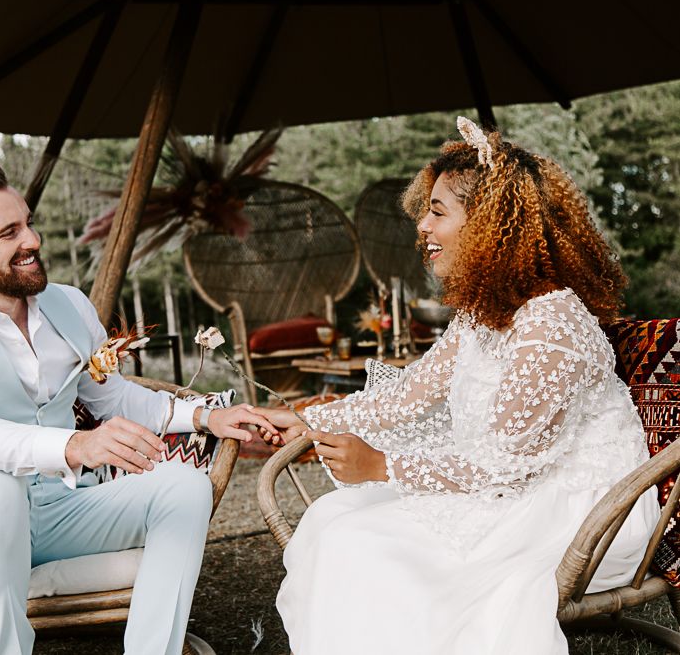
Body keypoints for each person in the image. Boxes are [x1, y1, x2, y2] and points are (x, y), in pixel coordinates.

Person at [257, 118, 660, 655]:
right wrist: (308, 418)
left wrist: (383, 466)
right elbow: (406, 398)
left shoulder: (552, 323)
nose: (421, 225)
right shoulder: (480, 315)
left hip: (578, 511)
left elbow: (506, 463)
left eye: (437, 211)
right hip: (507, 486)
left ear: (491, 227)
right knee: (330, 520)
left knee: (361, 543)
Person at [0, 160, 278, 655]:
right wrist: (77, 444)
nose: (33, 240)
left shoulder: (70, 305)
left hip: (61, 508)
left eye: (29, 222)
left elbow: (113, 397)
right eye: (9, 232)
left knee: (185, 488)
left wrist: (206, 416)